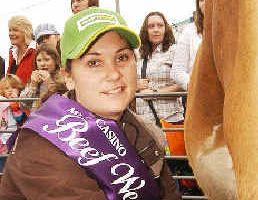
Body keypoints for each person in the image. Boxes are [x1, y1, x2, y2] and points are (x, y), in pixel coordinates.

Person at [0, 7, 181, 200]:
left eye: (122, 57)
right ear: (68, 76)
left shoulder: (139, 128)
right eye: (94, 63)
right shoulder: (41, 148)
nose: (114, 73)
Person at [136, 11, 184, 127]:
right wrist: (135, 85)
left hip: (170, 120)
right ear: (145, 31)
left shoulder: (175, 51)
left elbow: (184, 84)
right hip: (144, 123)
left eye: (160, 25)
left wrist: (154, 93)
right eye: (151, 26)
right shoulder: (137, 55)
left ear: (166, 29)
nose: (156, 29)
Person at [20, 44, 66, 111]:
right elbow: (23, 106)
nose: (42, 64)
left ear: (55, 61)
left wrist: (49, 82)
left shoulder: (64, 77)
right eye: (39, 60)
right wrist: (33, 85)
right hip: (38, 119)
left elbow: (63, 102)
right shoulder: (35, 78)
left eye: (47, 60)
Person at [171, 0, 205, 91]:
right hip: (200, 96)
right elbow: (177, 71)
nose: (205, 3)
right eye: (201, 0)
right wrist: (196, 87)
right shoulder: (189, 30)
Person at [0, 75, 26, 172]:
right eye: (7, 88)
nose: (10, 90)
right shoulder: (1, 103)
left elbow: (20, 120)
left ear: (19, 89)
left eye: (13, 87)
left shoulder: (20, 103)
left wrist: (15, 105)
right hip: (3, 137)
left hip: (12, 139)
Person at [7, 16, 36, 85]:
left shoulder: (36, 51)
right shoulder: (12, 53)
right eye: (10, 30)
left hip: (32, 95)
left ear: (26, 32)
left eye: (15, 30)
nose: (11, 33)